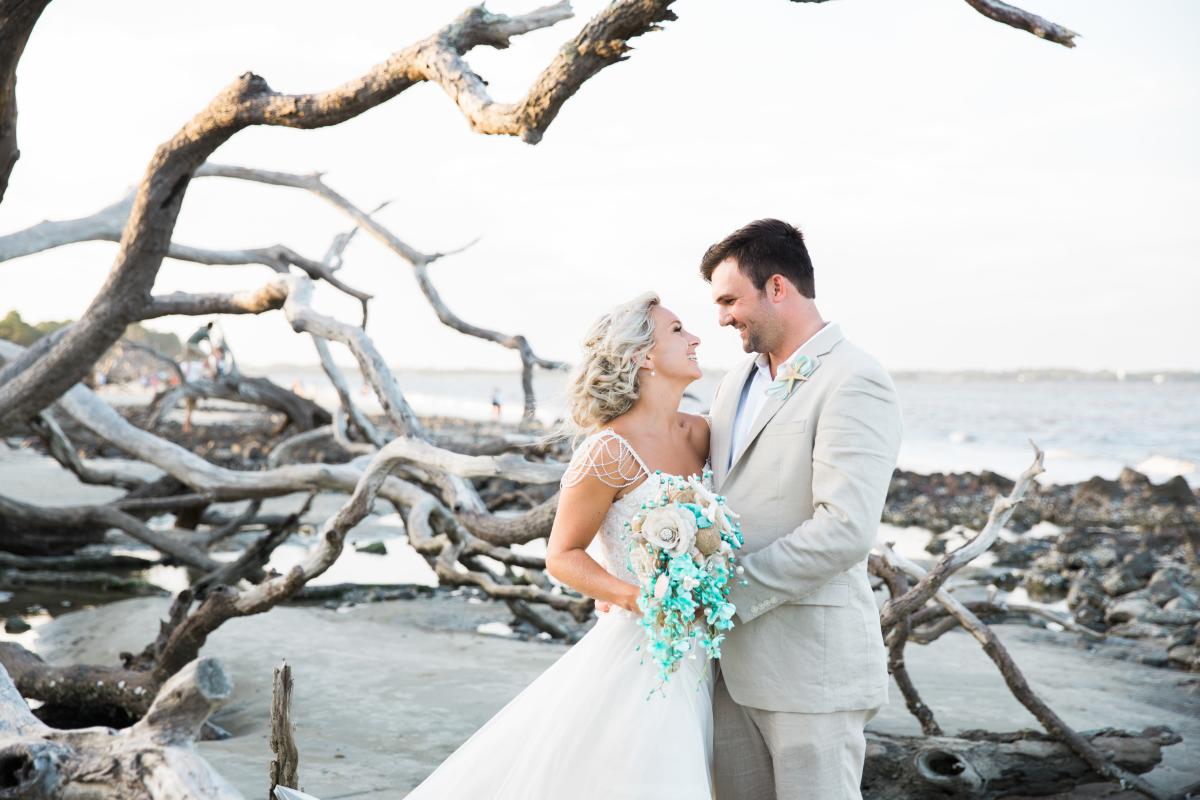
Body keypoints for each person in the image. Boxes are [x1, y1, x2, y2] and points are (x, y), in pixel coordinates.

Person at [373, 293, 712, 799]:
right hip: (640, 647)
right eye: (679, 330)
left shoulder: (703, 434)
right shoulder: (606, 452)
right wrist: (633, 596)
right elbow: (562, 555)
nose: (696, 338)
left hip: (707, 643)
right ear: (644, 356)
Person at [703, 219, 902, 800]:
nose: (720, 318)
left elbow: (844, 530)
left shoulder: (855, 378)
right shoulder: (735, 379)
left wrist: (722, 597)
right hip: (726, 670)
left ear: (779, 288)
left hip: (809, 672)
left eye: (729, 300)